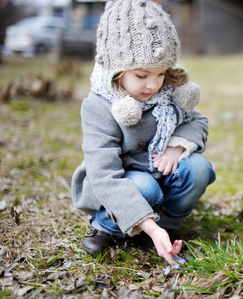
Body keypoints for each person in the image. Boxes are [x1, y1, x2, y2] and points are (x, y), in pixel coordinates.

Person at [71, 0, 215, 265]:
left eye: (161, 74)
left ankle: (167, 226)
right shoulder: (99, 106)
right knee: (144, 187)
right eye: (141, 75)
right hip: (123, 182)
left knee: (198, 168)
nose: (153, 84)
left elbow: (196, 120)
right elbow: (103, 174)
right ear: (116, 70)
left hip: (160, 172)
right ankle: (107, 227)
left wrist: (178, 146)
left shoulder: (166, 91)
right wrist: (148, 225)